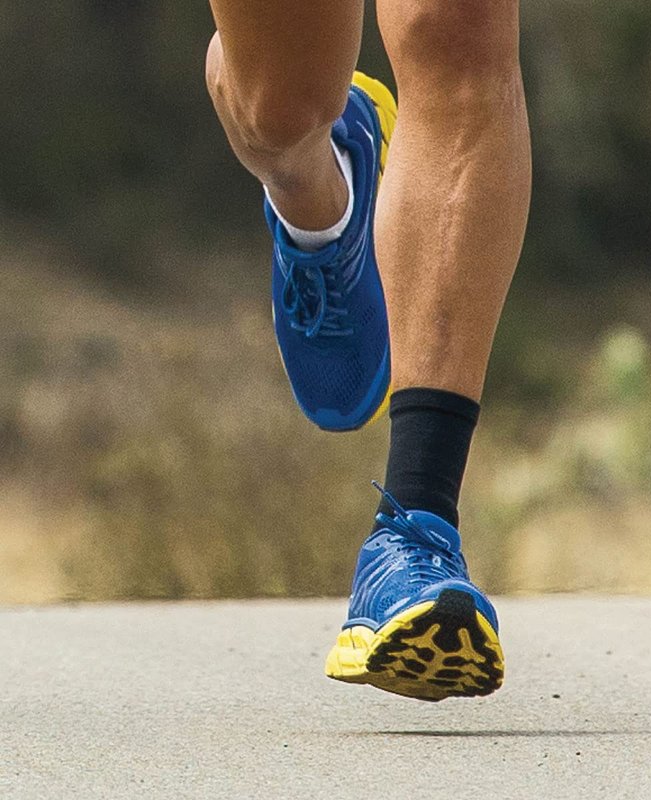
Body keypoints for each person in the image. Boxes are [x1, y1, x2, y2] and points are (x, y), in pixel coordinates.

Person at [205, 1, 531, 701]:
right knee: (277, 108)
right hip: (290, 130)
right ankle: (318, 200)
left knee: (454, 24)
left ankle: (416, 529)